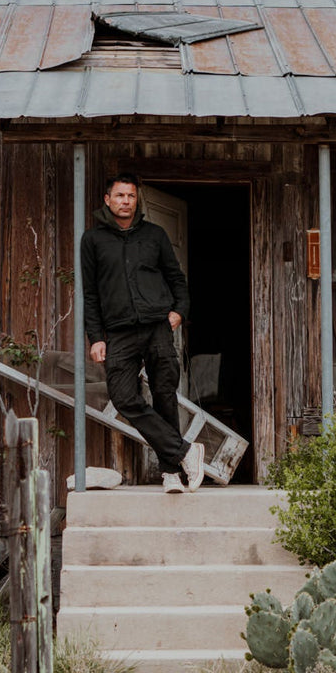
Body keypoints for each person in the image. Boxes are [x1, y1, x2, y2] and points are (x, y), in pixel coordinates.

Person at [82, 173, 204, 493]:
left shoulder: (155, 235)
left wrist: (179, 310)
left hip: (156, 327)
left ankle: (171, 474)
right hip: (118, 332)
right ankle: (184, 451)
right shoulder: (93, 241)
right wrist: (95, 337)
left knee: (164, 395)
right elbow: (90, 294)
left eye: (131, 196)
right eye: (120, 196)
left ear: (137, 200)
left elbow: (176, 277)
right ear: (107, 200)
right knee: (123, 396)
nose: (126, 201)